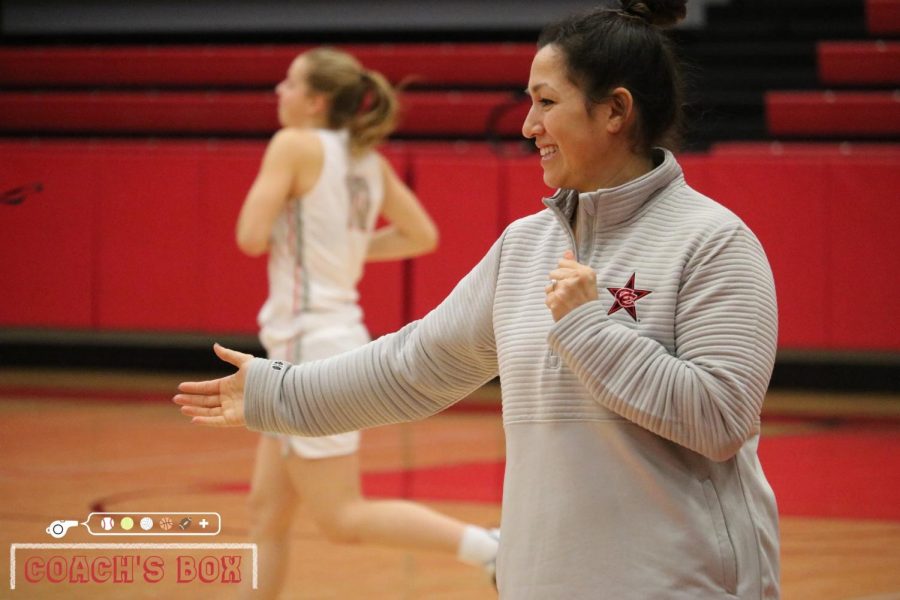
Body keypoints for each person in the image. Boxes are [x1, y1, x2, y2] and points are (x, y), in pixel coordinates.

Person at [175, 2, 781, 598]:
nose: (528, 125)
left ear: (615, 110)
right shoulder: (524, 247)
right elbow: (413, 367)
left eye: (547, 102)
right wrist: (276, 392)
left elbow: (720, 421)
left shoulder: (713, 241)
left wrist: (590, 330)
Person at [228, 47, 499, 599]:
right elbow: (421, 234)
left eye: (289, 83)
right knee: (266, 514)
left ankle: (493, 549)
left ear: (316, 100)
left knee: (342, 517)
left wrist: (317, 243)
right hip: (321, 342)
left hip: (307, 351)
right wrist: (341, 248)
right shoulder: (365, 160)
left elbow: (251, 237)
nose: (278, 91)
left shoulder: (293, 145)